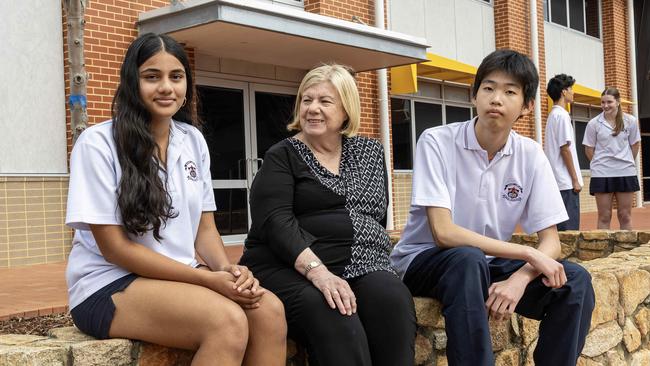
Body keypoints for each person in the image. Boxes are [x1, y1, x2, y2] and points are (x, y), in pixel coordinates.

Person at [65, 33, 286, 366]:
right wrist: (206, 279)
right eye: (152, 76)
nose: (166, 87)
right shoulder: (98, 144)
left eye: (176, 76)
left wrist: (228, 270)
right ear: (131, 82)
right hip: (109, 281)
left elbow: (204, 230)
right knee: (226, 322)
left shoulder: (192, 139)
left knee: (269, 311)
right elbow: (116, 249)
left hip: (181, 276)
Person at [390, 50, 595, 366]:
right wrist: (528, 254)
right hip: (423, 261)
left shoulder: (530, 155)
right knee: (467, 259)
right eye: (488, 88)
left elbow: (551, 241)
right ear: (474, 96)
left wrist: (520, 278)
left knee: (575, 281)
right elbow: (443, 233)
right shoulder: (436, 141)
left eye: (509, 91)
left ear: (526, 106)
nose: (496, 98)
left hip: (481, 265)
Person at [239, 64, 416, 366]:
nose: (312, 109)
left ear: (346, 110)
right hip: (288, 267)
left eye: (325, 101)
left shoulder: (369, 152)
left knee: (392, 300)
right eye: (307, 100)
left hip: (362, 265)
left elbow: (376, 217)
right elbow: (275, 223)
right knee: (334, 309)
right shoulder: (283, 155)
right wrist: (319, 272)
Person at [583, 87, 641, 230]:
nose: (605, 106)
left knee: (625, 215)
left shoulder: (631, 121)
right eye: (602, 102)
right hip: (602, 174)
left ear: (618, 102)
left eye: (609, 102)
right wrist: (600, 165)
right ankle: (602, 252)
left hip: (625, 172)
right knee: (604, 216)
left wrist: (625, 161)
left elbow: (635, 145)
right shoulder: (594, 124)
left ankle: (627, 250)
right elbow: (588, 149)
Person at [544, 74, 583, 230]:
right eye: (571, 89)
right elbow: (564, 149)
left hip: (558, 180)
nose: (573, 92)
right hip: (566, 182)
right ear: (564, 92)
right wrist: (575, 179)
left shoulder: (553, 116)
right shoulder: (561, 115)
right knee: (570, 230)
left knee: (561, 229)